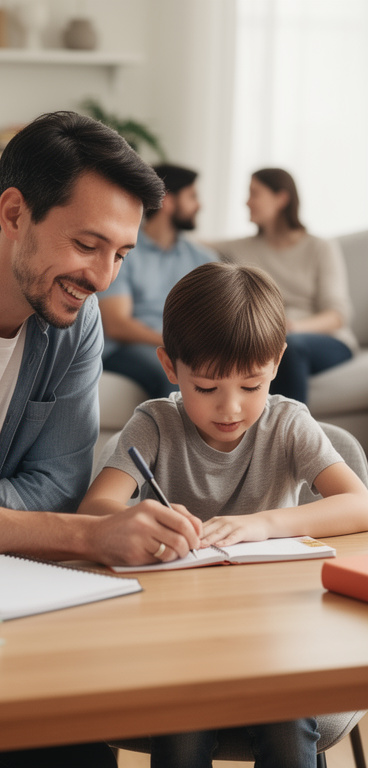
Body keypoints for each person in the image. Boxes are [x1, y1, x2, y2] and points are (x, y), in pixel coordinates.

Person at [0, 111, 176, 768]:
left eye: (121, 255)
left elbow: (60, 481)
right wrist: (80, 536)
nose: (103, 278)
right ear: (14, 213)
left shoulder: (77, 322)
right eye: (88, 244)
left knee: (61, 716)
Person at [79, 261, 368, 767]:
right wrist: (143, 521)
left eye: (251, 386)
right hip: (177, 636)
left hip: (278, 630)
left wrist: (262, 524)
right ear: (170, 367)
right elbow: (95, 509)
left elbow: (360, 503)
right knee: (181, 734)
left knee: (289, 727)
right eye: (207, 388)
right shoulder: (155, 424)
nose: (230, 408)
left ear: (276, 364)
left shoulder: (288, 424)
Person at [209, 168, 357, 403]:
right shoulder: (243, 248)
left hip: (326, 340)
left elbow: (337, 315)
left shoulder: (319, 247)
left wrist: (292, 327)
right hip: (270, 340)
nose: (247, 202)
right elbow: (195, 244)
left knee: (287, 348)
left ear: (281, 198)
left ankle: (291, 426)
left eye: (254, 193)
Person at [99, 163, 218, 399]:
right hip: (127, 348)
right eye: (192, 196)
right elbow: (117, 324)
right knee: (172, 371)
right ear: (168, 201)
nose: (199, 205)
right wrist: (174, 345)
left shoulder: (203, 259)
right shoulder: (124, 253)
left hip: (183, 348)